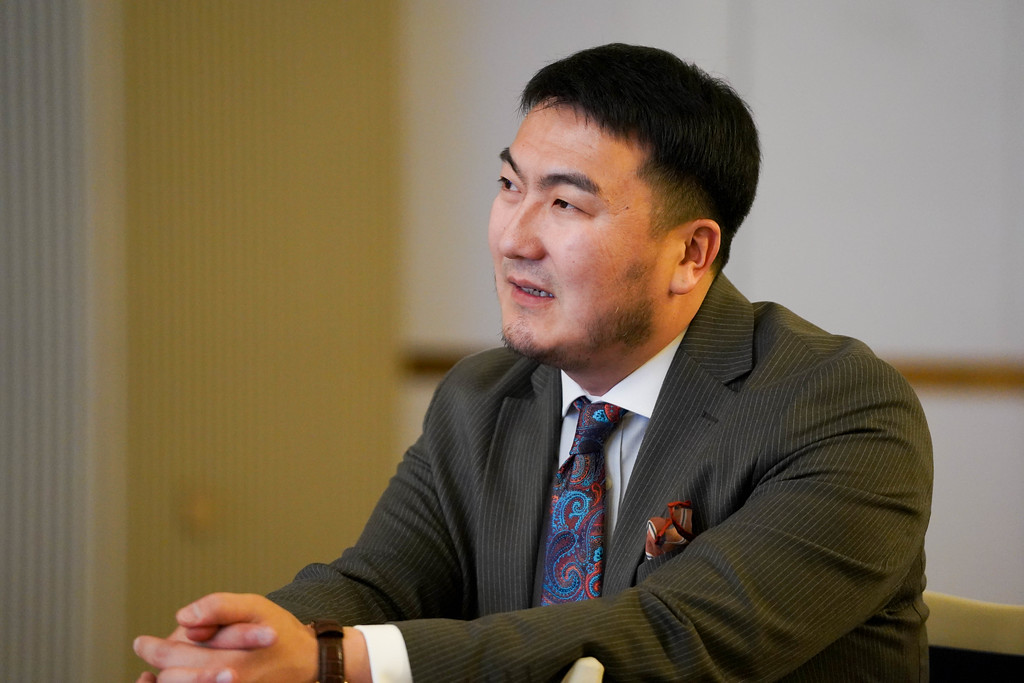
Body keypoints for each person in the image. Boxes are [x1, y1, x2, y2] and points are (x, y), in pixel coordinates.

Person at [134, 43, 932, 682]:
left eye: (564, 203)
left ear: (691, 253)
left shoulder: (838, 408)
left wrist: (337, 660)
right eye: (509, 185)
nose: (515, 237)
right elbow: (378, 584)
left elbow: (673, 634)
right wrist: (246, 643)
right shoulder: (482, 397)